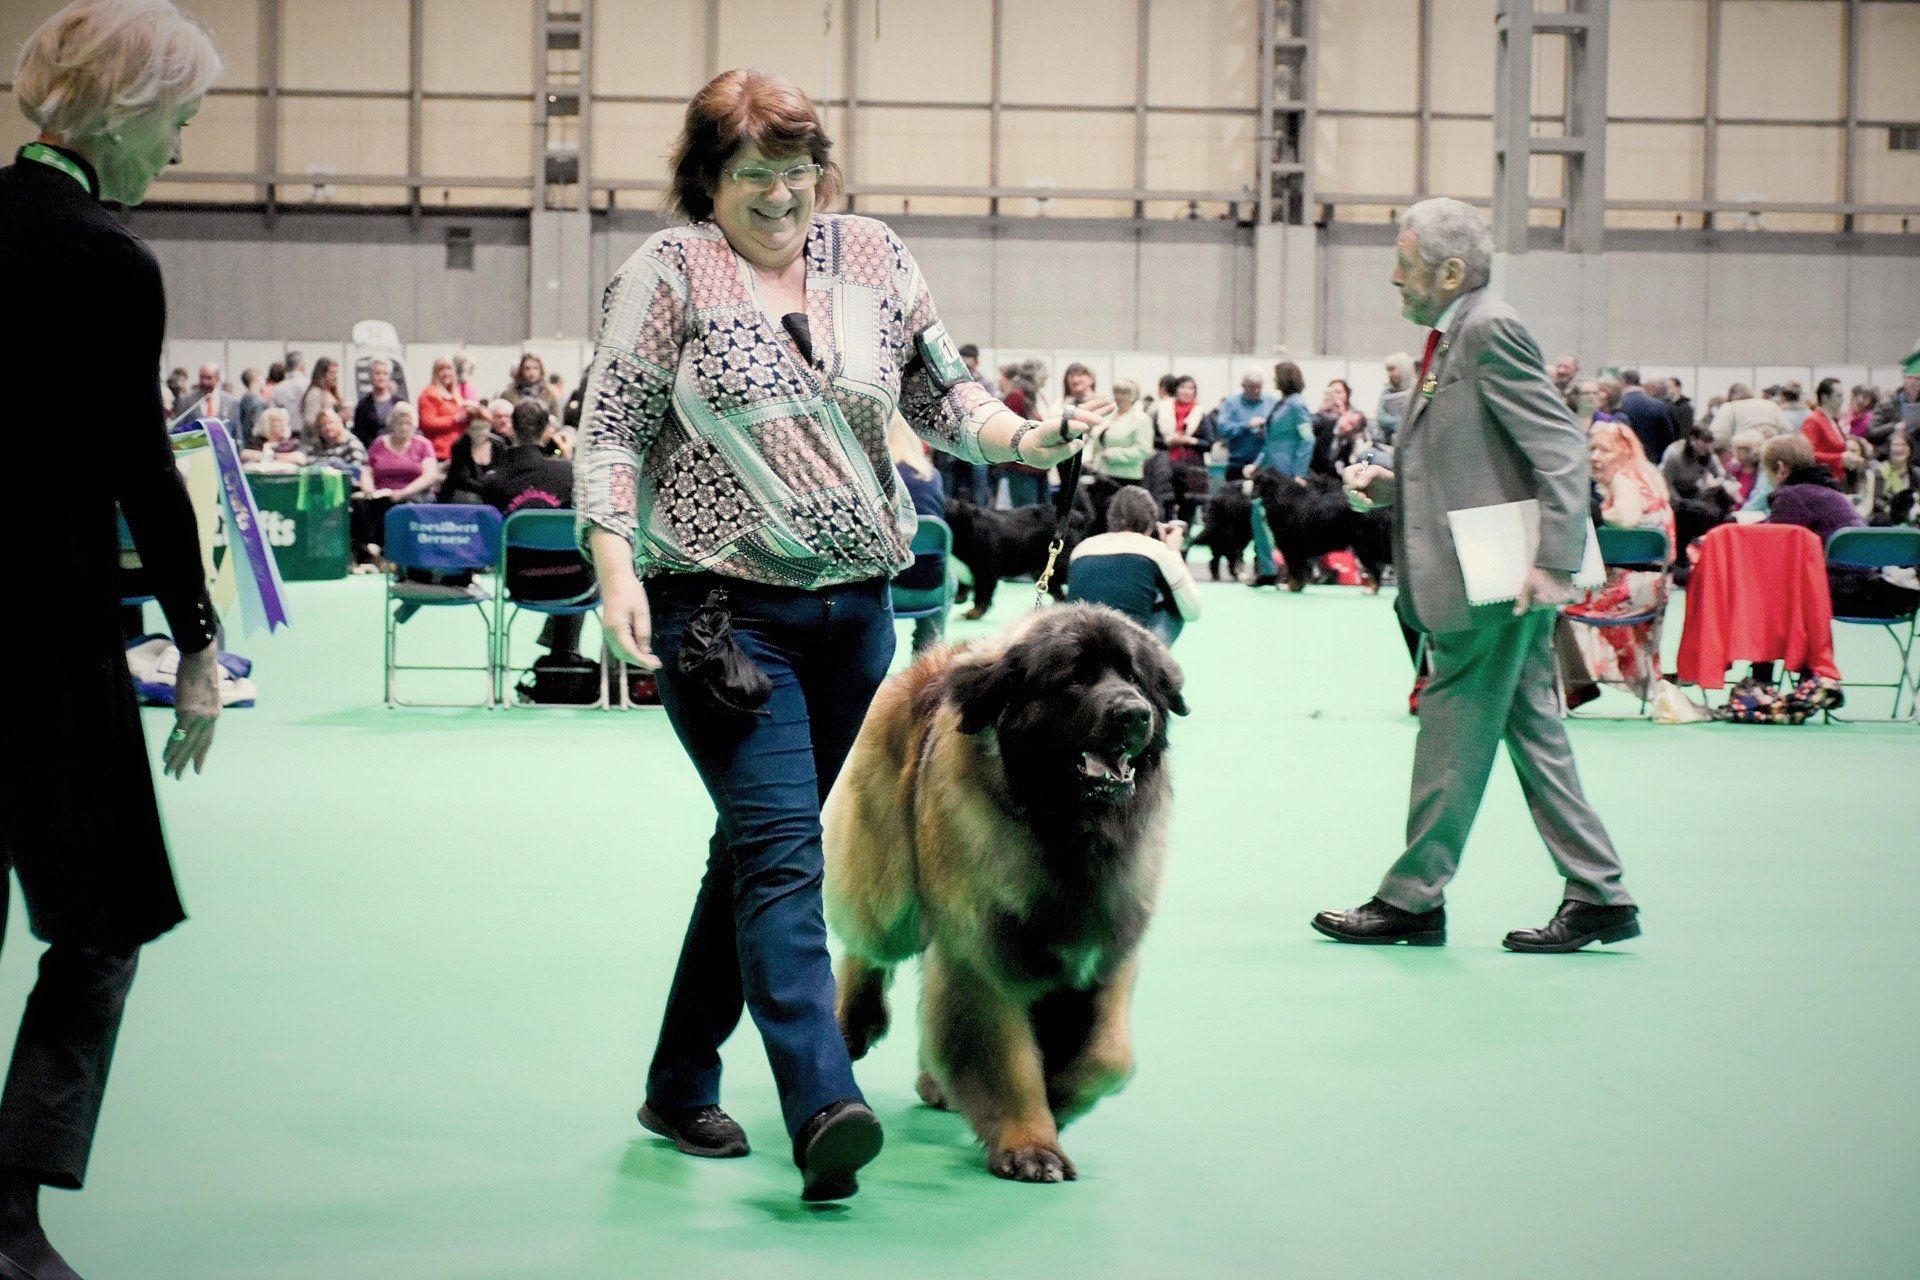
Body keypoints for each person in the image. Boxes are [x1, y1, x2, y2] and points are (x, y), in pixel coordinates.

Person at [573, 67, 1102, 1202]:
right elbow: (611, 428)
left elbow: (946, 394)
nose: (780, 195)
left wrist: (1031, 436)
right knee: (780, 850)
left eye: (797, 170)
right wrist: (614, 560)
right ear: (707, 181)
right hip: (719, 612)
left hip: (858, 609)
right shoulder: (664, 275)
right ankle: (823, 1099)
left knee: (751, 845)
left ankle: (677, 1077)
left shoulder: (874, 255)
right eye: (753, 174)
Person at [1, 5, 224, 1275]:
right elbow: (143, 471)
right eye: (181, 125)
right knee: (100, 926)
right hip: (49, 648)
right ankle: (12, 1209)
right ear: (127, 114)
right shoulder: (107, 258)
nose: (181, 154)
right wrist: (195, 643)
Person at [1314, 197, 1638, 955]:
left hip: (1493, 580)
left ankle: (1413, 898)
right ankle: (1599, 893)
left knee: (1451, 728)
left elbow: (1558, 447)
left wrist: (1556, 564)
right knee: (1534, 733)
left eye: (1405, 262)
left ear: (1450, 270)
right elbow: (1472, 454)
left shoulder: (1488, 329)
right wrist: (1392, 481)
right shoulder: (1460, 332)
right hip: (1490, 571)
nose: (1395, 277)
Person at [1561, 423, 1675, 701]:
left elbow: (1627, 519)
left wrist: (1593, 514)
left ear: (1624, 452)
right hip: (1655, 588)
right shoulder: (1650, 477)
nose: (1595, 457)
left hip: (1631, 587)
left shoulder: (1625, 478)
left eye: (1605, 450)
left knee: (1551, 607)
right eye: (1592, 450)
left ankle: (1576, 687)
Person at [481, 398, 591, 657]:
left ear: (511, 430)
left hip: (522, 584)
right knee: (578, 564)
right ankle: (565, 657)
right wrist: (568, 461)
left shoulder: (493, 483)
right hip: (575, 586)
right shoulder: (569, 474)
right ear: (546, 432)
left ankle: (561, 655)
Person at [1066, 485, 1201, 646]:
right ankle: (1154, 661)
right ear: (1152, 523)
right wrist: (1173, 552)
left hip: (1076, 644)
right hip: (1130, 648)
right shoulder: (1157, 550)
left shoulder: (1082, 548)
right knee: (1176, 607)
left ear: (1110, 518)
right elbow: (1193, 610)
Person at [886, 414, 950, 654]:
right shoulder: (933, 476)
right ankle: (926, 651)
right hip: (931, 588)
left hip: (889, 590)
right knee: (948, 578)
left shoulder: (876, 477)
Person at [354, 401, 438, 563]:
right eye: (400, 423)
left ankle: (395, 555)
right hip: (381, 494)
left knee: (402, 506)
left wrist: (403, 493)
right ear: (392, 424)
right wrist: (368, 488)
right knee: (360, 504)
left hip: (414, 494)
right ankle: (369, 554)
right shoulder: (379, 443)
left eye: (408, 423)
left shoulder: (423, 445)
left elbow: (430, 475)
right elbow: (367, 470)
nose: (404, 427)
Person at [1087, 378, 1153, 529]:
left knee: (1121, 523)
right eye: (1116, 391)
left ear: (1133, 395)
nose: (1119, 396)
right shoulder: (1108, 416)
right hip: (1103, 476)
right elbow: (1097, 441)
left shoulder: (1141, 419)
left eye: (1124, 392)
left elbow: (1144, 450)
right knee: (1099, 521)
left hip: (1126, 478)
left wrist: (1113, 454)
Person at [439, 398, 511, 503]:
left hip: (490, 491)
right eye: (475, 428)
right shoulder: (460, 446)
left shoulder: (498, 445)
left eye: (484, 428)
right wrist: (489, 488)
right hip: (464, 495)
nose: (480, 432)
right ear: (467, 429)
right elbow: (462, 480)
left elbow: (502, 473)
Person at [417, 355, 486, 463]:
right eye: (441, 369)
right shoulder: (429, 394)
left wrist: (470, 415)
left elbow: (461, 424)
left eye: (449, 369)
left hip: (459, 452)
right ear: (435, 373)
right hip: (439, 454)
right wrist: (454, 419)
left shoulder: (456, 394)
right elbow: (427, 423)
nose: (446, 373)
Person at [1216, 367, 1276, 480]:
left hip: (1264, 465)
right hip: (1237, 464)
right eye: (1252, 387)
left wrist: (1267, 431)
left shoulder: (1272, 402)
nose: (1257, 390)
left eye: (1259, 386)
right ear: (1243, 386)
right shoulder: (1231, 403)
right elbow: (1222, 429)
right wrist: (1246, 426)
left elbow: (1278, 431)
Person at [1615, 369, 1677, 462]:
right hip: (1654, 463)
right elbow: (1669, 439)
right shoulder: (1659, 405)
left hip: (1628, 463)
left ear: (1623, 382)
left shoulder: (1619, 406)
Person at [1707, 382, 1790, 448]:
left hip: (1742, 452)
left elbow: (1718, 435)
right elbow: (1787, 430)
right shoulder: (1771, 404)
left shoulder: (1729, 407)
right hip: (1770, 450)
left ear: (1730, 397)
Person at [1802, 377, 1849, 481]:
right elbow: (1807, 455)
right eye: (1838, 396)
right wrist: (1840, 459)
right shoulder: (1813, 421)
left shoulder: (1833, 421)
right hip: (1821, 482)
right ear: (1824, 398)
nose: (1842, 400)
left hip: (1836, 480)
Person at [351, 357, 404, 445]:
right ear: (370, 376)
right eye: (377, 373)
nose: (381, 377)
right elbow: (358, 434)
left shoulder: (400, 403)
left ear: (389, 377)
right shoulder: (363, 406)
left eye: (385, 373)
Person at [307, 406, 367, 481]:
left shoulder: (352, 443)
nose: (328, 427)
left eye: (331, 423)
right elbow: (308, 466)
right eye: (323, 425)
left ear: (340, 423)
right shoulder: (316, 446)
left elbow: (358, 471)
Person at [496, 351, 560, 419]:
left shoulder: (549, 395)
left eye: (535, 368)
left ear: (541, 371)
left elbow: (556, 420)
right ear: (521, 371)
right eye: (527, 368)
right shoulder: (508, 394)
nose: (531, 372)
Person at [183, 361, 239, 433]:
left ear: (218, 379)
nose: (204, 382)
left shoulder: (232, 402)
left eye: (209, 378)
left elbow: (237, 432)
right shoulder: (187, 400)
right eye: (202, 378)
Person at [241, 405, 307, 466]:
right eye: (278, 421)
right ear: (267, 424)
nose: (284, 424)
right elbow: (244, 454)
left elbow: (299, 458)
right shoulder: (257, 442)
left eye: (286, 420)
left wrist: (270, 456)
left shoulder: (295, 443)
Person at [299, 355, 342, 444]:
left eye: (336, 373)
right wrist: (328, 423)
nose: (335, 377)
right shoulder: (315, 393)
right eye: (332, 373)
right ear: (322, 374)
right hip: (317, 443)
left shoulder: (332, 393)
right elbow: (309, 421)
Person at [1378, 352, 1414, 443]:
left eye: (1393, 369)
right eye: (1388, 370)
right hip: (1389, 441)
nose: (1390, 374)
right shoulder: (1385, 393)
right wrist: (1404, 421)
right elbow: (1382, 420)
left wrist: (1393, 418)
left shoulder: (1416, 390)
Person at [272, 348, 307, 416]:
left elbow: (273, 412)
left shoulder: (277, 388)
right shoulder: (308, 385)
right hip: (304, 426)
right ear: (302, 365)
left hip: (284, 425)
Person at [236, 366, 266, 439]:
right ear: (257, 379)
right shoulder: (259, 401)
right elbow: (257, 427)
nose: (264, 381)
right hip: (254, 443)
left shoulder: (242, 399)